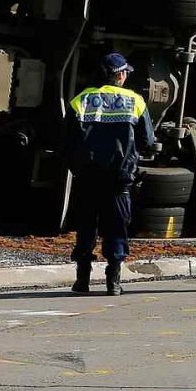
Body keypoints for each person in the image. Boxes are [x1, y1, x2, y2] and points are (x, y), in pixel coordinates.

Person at [65, 52, 156, 295]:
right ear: (121, 74)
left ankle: (82, 280)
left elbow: (66, 140)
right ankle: (113, 282)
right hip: (119, 178)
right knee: (116, 228)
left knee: (86, 227)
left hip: (87, 177)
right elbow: (148, 140)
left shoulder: (81, 100)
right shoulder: (134, 101)